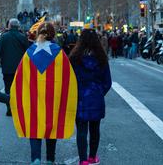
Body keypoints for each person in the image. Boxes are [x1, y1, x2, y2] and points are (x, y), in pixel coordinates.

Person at [10, 22, 78, 164]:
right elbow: (68, 78)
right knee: (51, 127)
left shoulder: (29, 53)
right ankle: (50, 159)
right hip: (53, 99)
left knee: (34, 127)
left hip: (33, 98)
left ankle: (35, 159)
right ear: (52, 34)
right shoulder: (59, 53)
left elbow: (19, 79)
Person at [69, 29, 112, 165]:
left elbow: (68, 80)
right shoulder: (102, 58)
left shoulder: (74, 58)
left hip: (79, 98)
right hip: (96, 97)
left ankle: (83, 160)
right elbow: (107, 82)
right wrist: (99, 92)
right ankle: (93, 157)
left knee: (81, 130)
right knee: (95, 129)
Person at [0, 18, 29, 116]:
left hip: (7, 68)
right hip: (20, 68)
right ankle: (18, 107)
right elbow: (28, 53)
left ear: (9, 26)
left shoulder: (4, 37)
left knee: (8, 88)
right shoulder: (23, 37)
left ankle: (9, 107)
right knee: (19, 88)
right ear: (18, 26)